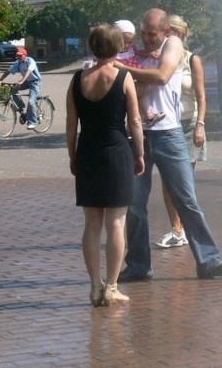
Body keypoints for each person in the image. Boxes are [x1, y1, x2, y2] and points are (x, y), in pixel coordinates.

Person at [114, 8, 222, 281]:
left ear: (166, 31)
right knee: (134, 204)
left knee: (187, 199)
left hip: (169, 134)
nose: (146, 39)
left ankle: (209, 261)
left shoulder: (173, 44)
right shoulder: (134, 52)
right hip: (139, 136)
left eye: (152, 34)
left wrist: (122, 68)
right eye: (143, 33)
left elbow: (161, 76)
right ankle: (138, 266)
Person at [66, 24, 145, 307]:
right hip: (116, 151)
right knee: (116, 222)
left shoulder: (77, 80)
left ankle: (94, 285)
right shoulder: (124, 77)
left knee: (91, 225)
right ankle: (112, 286)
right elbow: (134, 121)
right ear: (118, 46)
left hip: (88, 151)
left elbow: (71, 123)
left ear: (92, 46)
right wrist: (140, 152)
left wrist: (72, 155)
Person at [154, 14, 207, 249]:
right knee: (167, 181)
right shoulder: (161, 58)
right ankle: (177, 230)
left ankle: (190, 229)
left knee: (185, 183)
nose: (169, 36)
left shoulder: (191, 59)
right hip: (167, 125)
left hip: (188, 125)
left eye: (173, 32)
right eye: (167, 32)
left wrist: (200, 125)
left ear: (182, 34)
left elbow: (201, 96)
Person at [113, 19, 164, 127]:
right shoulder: (113, 52)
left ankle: (148, 115)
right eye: (124, 42)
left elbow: (140, 53)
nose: (127, 45)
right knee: (135, 98)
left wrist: (150, 54)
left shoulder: (132, 48)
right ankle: (141, 119)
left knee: (140, 96)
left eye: (130, 42)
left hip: (136, 75)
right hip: (124, 79)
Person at [0, 47, 42, 129]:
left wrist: (22, 80)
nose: (18, 57)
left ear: (25, 55)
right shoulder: (18, 63)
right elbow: (9, 71)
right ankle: (21, 106)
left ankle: (33, 122)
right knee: (13, 89)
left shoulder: (30, 61)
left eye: (20, 56)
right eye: (18, 56)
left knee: (31, 101)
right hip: (26, 82)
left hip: (35, 82)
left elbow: (29, 71)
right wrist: (0, 80)